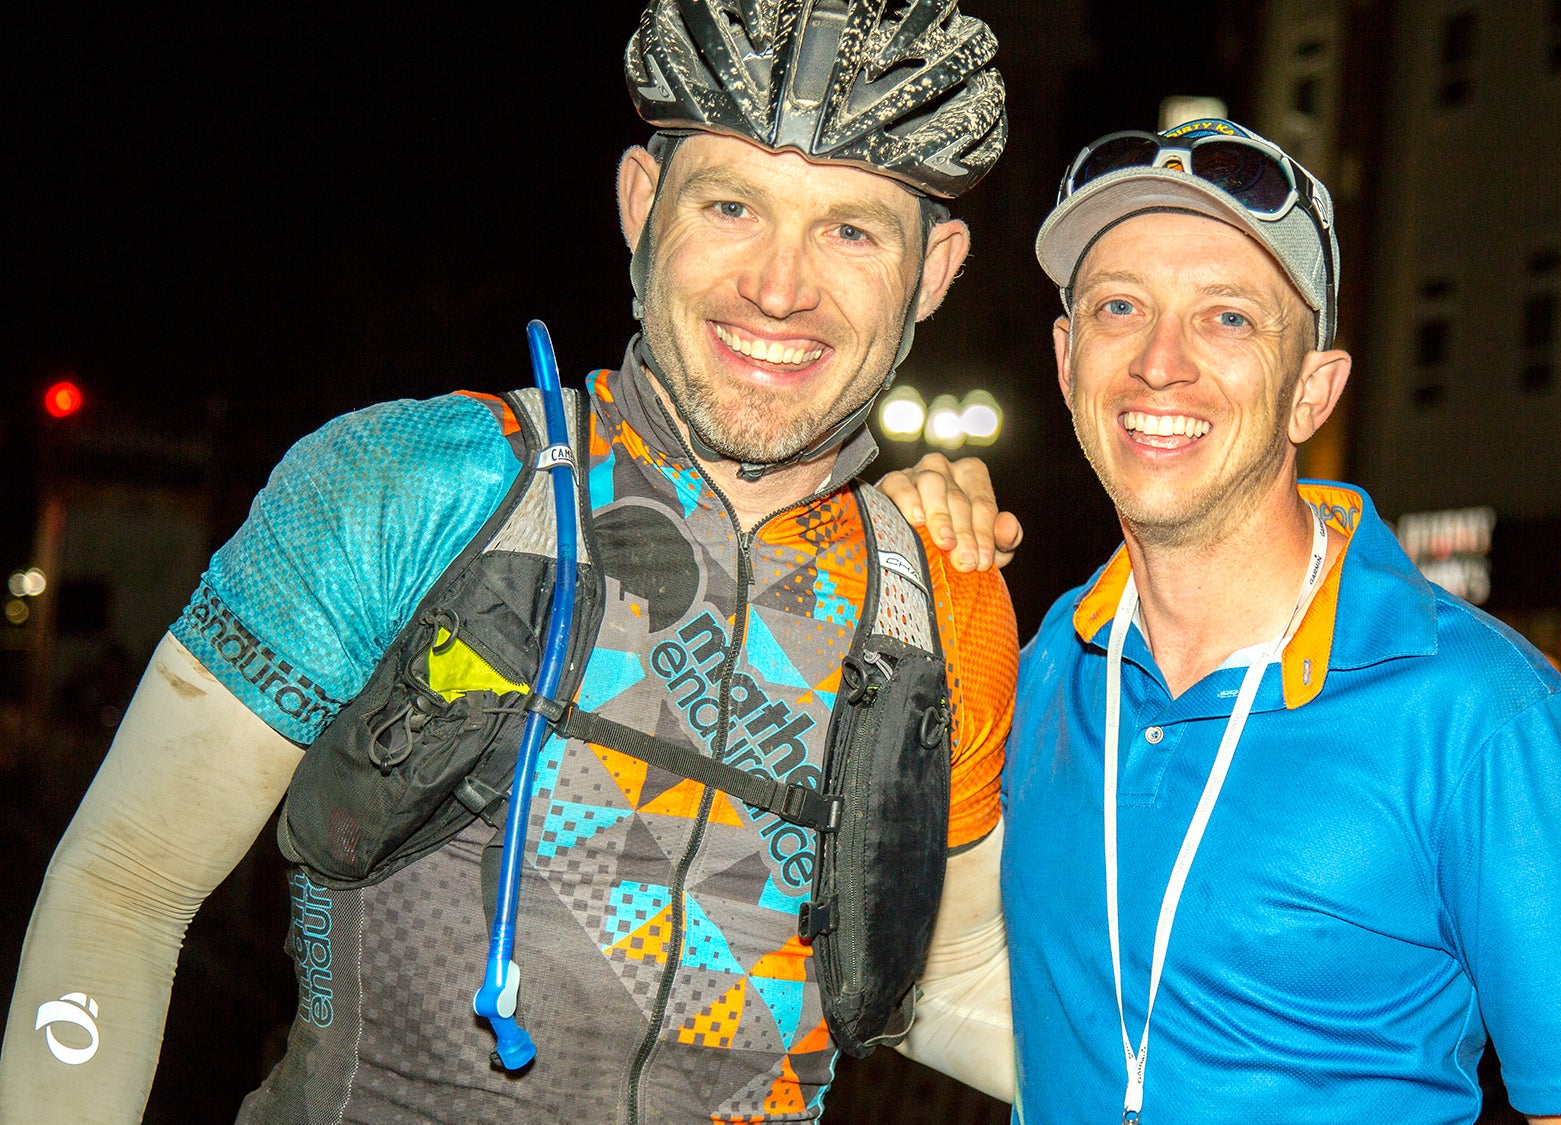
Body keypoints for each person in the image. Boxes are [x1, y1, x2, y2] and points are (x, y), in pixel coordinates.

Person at [0, 2, 1020, 1121]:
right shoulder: (416, 481)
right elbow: (124, 888)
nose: (779, 288)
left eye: (852, 231)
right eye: (730, 205)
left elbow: (949, 974)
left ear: (936, 271)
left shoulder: (942, 601)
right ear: (641, 205)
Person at [998, 119, 1561, 1123]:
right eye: (1117, 306)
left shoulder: (1482, 716)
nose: (1160, 362)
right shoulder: (1051, 660)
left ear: (1311, 391)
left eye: (1228, 318)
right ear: (1066, 361)